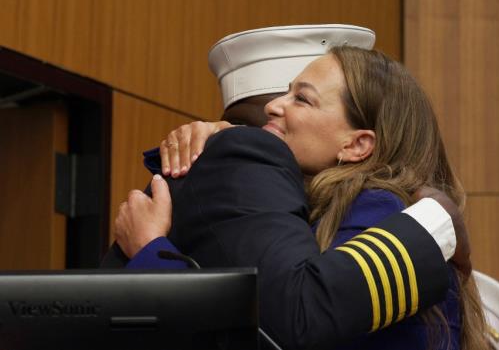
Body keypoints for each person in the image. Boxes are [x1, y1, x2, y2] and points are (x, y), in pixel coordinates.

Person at [104, 25, 468, 349]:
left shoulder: (377, 211)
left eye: (301, 98)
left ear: (357, 144)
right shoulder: (321, 210)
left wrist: (151, 252)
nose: (274, 109)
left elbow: (290, 325)